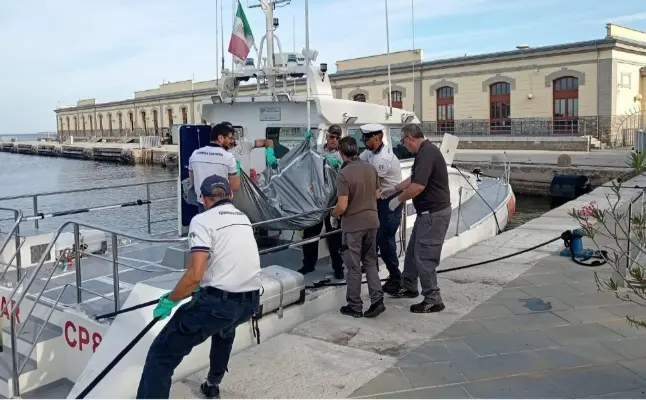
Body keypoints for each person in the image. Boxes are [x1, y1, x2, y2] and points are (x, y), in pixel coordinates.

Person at [136, 174, 261, 399]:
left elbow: (195, 276)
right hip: (249, 304)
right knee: (225, 330)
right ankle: (212, 384)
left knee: (160, 355)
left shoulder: (202, 221)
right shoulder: (243, 217)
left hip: (220, 305)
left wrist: (171, 300)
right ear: (230, 195)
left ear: (202, 199)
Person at [381, 123, 451, 314]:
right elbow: (413, 179)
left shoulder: (427, 153)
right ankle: (409, 286)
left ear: (410, 138)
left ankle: (433, 298)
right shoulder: (424, 153)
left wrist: (398, 200)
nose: (403, 146)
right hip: (426, 214)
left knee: (424, 257)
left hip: (434, 215)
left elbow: (418, 186)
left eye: (403, 142)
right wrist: (394, 189)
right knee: (412, 253)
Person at [331, 136, 385, 318]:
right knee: (370, 262)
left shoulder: (343, 174)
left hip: (353, 226)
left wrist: (333, 214)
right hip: (372, 222)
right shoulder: (370, 168)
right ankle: (377, 300)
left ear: (341, 153)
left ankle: (354, 306)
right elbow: (377, 194)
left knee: (353, 267)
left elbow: (342, 206)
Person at [358, 123, 404, 294]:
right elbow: (359, 160)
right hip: (380, 201)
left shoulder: (381, 159)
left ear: (376, 139)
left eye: (366, 138)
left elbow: (371, 184)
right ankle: (374, 268)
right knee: (375, 237)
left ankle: (396, 278)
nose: (363, 141)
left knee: (385, 241)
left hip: (389, 202)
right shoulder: (370, 151)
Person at [298, 125, 344, 280]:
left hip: (333, 201)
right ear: (327, 136)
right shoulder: (318, 151)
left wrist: (337, 164)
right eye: (332, 137)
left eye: (337, 138)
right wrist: (306, 142)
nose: (334, 140)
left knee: (334, 237)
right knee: (310, 234)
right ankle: (308, 264)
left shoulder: (341, 155)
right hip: (317, 200)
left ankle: (338, 267)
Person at [188, 123, 240, 213]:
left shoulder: (195, 154)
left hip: (203, 203)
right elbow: (235, 187)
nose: (231, 141)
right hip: (222, 205)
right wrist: (237, 171)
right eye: (230, 138)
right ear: (220, 138)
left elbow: (192, 182)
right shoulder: (228, 157)